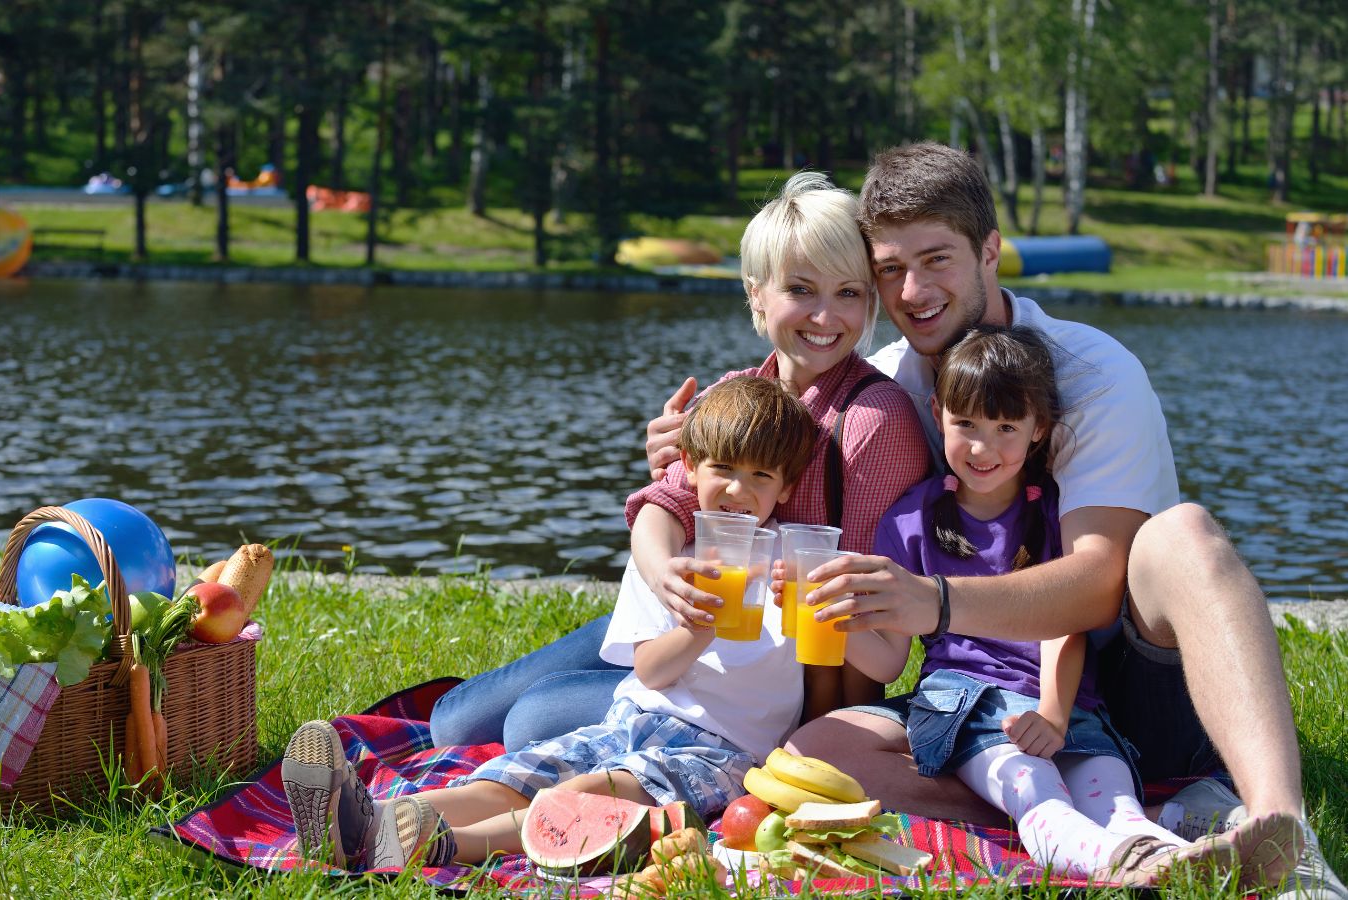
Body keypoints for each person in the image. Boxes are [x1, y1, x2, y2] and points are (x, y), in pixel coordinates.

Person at [758, 141, 1335, 897]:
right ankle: (1100, 825)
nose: (913, 289)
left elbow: (1098, 583)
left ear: (992, 251)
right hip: (979, 701)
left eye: (937, 259)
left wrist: (933, 600)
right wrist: (685, 450)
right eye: (891, 270)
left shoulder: (1092, 371)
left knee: (1183, 534)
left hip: (1126, 683)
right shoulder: (897, 381)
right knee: (815, 756)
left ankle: (1280, 832)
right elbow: (789, 390)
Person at [282, 378, 908, 869]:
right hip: (629, 719)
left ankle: (441, 845)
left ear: (785, 487)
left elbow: (882, 665)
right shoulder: (671, 562)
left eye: (760, 476)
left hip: (722, 751)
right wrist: (699, 627)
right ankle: (368, 819)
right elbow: (649, 669)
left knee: (592, 792)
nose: (739, 489)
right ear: (689, 467)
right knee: (518, 775)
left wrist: (836, 613)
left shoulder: (795, 565)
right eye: (723, 468)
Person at [428, 171, 930, 750]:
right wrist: (663, 573)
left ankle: (608, 708)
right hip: (690, 620)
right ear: (755, 294)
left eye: (848, 293)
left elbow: (871, 619)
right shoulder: (734, 392)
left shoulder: (873, 421)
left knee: (530, 722)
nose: (825, 317)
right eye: (800, 290)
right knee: (453, 725)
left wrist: (822, 731)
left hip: (768, 681)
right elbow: (664, 503)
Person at [840, 323, 1301, 887]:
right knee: (1036, 795)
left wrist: (1056, 713)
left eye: (1006, 427)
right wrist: (834, 620)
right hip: (969, 706)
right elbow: (888, 663)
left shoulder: (1055, 512)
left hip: (1072, 707)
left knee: (1116, 799)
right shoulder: (910, 521)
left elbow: (1064, 621)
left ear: (1039, 430)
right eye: (966, 425)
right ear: (937, 415)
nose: (983, 448)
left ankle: (1160, 848)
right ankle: (1120, 865)